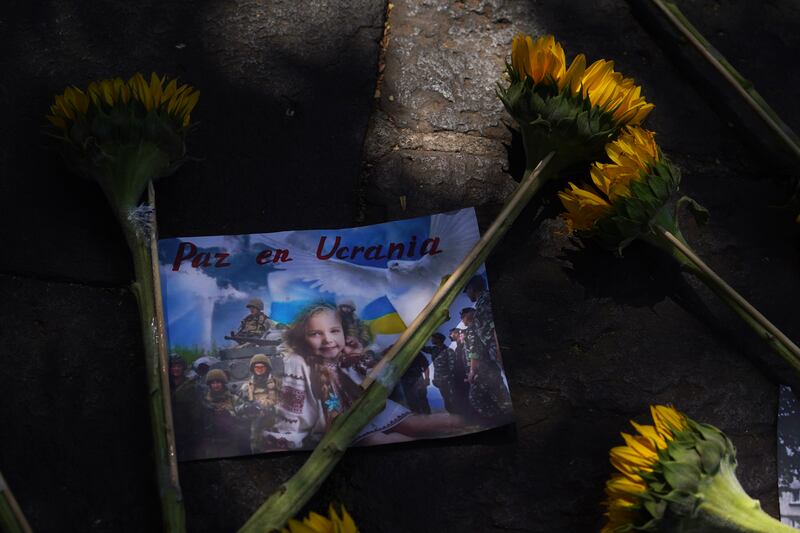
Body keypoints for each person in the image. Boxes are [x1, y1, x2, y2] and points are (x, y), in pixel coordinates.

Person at [462, 275, 513, 421]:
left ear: (472, 288)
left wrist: (499, 351)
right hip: (495, 353)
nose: (467, 294)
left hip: (498, 351)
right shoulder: (480, 305)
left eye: (467, 291)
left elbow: (494, 330)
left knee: (501, 394)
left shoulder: (485, 302)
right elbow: (477, 346)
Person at [234, 353, 280, 453]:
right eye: (257, 367)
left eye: (262, 367)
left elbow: (289, 405)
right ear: (253, 369)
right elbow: (236, 409)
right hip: (255, 430)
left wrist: (272, 408)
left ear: (267, 368)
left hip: (277, 427)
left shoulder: (277, 384)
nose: (259, 369)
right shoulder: (246, 387)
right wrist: (246, 407)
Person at [198, 369, 248, 458]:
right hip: (212, 443)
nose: (216, 385)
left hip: (232, 441)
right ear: (209, 385)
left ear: (223, 383)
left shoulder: (233, 399)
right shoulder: (205, 402)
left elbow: (245, 417)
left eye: (218, 382)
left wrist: (230, 415)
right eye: (213, 383)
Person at [168, 353, 201, 459]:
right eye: (173, 366)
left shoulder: (191, 385)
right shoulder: (165, 385)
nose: (176, 369)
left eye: (179, 366)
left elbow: (197, 409)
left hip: (188, 429)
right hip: (171, 429)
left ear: (183, 367)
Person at [423, 332, 461, 414]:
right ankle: (454, 417)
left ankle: (460, 417)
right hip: (439, 380)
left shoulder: (448, 351)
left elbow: (453, 366)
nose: (431, 340)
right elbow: (421, 348)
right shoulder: (433, 349)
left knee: (453, 398)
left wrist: (449, 378)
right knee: (446, 399)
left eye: (433, 338)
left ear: (439, 340)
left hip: (448, 380)